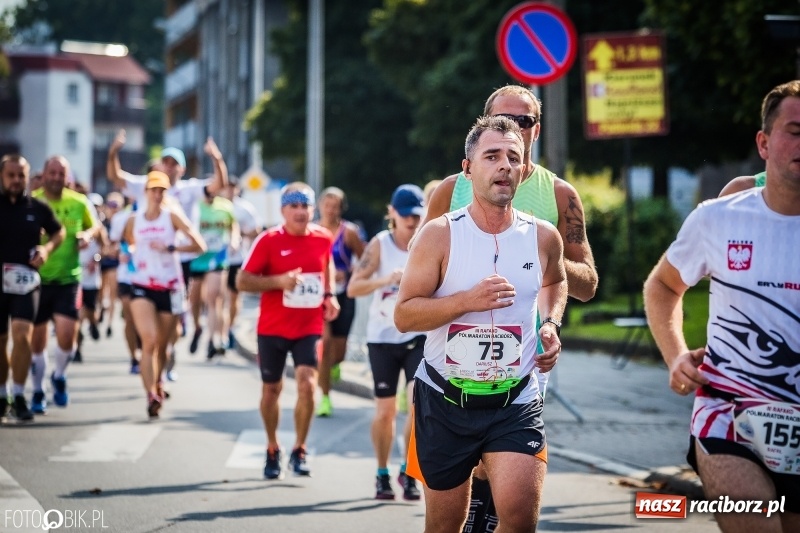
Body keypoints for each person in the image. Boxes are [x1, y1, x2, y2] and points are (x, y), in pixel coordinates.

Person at [421, 84, 598, 530]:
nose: (513, 130)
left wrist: (541, 259)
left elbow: (587, 282)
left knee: (513, 498)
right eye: (502, 123)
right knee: (461, 497)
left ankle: (484, 513)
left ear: (535, 131)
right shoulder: (450, 190)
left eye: (523, 123)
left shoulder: (559, 195)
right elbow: (418, 279)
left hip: (525, 361)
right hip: (452, 362)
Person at [395, 115, 568, 532]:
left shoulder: (543, 237)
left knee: (520, 519)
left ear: (525, 170)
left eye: (514, 157)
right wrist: (465, 302)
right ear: (468, 168)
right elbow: (404, 315)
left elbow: (556, 280)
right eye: (492, 156)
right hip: (445, 399)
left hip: (515, 399)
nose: (504, 165)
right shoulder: (439, 236)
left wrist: (551, 325)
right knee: (445, 524)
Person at [643, 80, 800, 533]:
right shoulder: (720, 217)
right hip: (728, 415)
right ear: (764, 143)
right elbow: (663, 286)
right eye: (794, 129)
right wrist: (675, 356)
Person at [237, 182, 340, 480]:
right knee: (272, 390)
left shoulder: (322, 238)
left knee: (307, 384)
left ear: (312, 209)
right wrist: (278, 282)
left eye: (305, 206)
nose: (300, 212)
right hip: (272, 328)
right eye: (293, 206)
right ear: (283, 210)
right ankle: (272, 447)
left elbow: (326, 263)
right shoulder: (268, 240)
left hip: (308, 326)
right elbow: (243, 281)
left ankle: (300, 448)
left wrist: (329, 294)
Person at [107, 130, 229, 358]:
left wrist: (217, 159)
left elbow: (218, 184)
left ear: (181, 169)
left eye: (175, 164)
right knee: (147, 318)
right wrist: (113, 152)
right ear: (160, 165)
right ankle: (150, 350)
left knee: (173, 322)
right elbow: (116, 176)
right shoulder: (145, 184)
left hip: (178, 261)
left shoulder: (189, 189)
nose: (170, 167)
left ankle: (166, 348)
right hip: (146, 261)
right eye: (166, 162)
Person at [347, 184, 425, 501]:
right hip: (382, 338)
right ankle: (382, 473)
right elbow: (354, 287)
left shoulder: (427, 243)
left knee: (419, 406)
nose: (412, 221)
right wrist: (386, 279)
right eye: (406, 215)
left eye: (417, 215)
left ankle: (409, 470)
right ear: (392, 212)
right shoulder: (381, 244)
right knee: (385, 412)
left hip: (418, 335)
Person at [123, 171, 205, 418]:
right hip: (142, 286)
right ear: (145, 192)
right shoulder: (133, 220)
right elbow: (128, 244)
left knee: (163, 345)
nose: (158, 195)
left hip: (171, 287)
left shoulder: (172, 217)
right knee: (149, 340)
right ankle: (151, 395)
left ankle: (158, 381)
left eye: (162, 191)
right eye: (153, 190)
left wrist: (172, 247)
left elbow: (199, 245)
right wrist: (131, 257)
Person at [30, 156, 100, 411]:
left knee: (67, 336)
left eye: (62, 173)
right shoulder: (33, 201)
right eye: (53, 173)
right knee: (36, 342)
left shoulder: (79, 203)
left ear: (67, 177)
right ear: (44, 174)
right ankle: (37, 391)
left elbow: (96, 228)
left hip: (69, 278)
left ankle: (59, 375)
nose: (57, 177)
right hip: (38, 280)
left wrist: (87, 235)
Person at [0, 155, 64, 422]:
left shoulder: (37, 208)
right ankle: (2, 395)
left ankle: (19, 394)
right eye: (11, 175)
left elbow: (58, 232)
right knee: (1, 341)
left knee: (22, 335)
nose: (16, 181)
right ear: (2, 177)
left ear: (27, 177)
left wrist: (46, 249)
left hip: (26, 281)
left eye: (21, 176)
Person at [315, 186, 366, 417]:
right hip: (319, 296)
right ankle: (324, 398)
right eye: (327, 204)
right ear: (319, 206)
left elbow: (366, 259)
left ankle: (335, 366)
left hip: (344, 295)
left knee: (339, 351)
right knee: (324, 345)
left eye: (335, 206)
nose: (330, 209)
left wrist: (351, 273)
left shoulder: (348, 232)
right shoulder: (312, 230)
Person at [188, 189, 238, 360]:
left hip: (217, 258)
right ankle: (197, 328)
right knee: (194, 300)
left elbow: (234, 226)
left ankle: (212, 340)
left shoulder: (226, 206)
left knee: (213, 297)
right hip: (196, 258)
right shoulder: (195, 206)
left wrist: (234, 240)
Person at [218, 178, 263, 349]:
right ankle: (220, 333)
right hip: (219, 259)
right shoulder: (216, 206)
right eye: (226, 188)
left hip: (238, 258)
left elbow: (257, 230)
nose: (229, 191)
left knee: (234, 297)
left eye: (232, 188)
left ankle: (230, 327)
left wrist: (240, 234)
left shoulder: (245, 208)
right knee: (219, 297)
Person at [98, 191, 125, 338]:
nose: (113, 208)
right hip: (101, 261)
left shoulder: (123, 222)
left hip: (115, 262)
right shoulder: (102, 222)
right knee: (102, 291)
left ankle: (109, 323)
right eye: (111, 205)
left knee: (113, 292)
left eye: (116, 205)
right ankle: (102, 307)